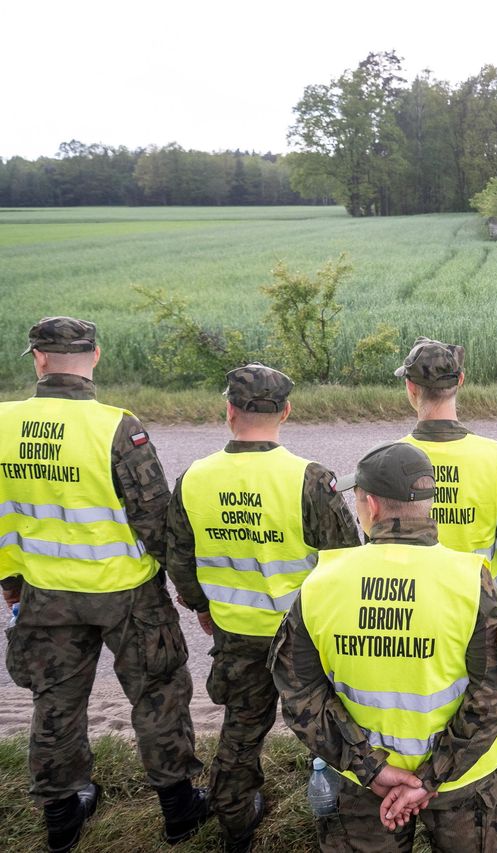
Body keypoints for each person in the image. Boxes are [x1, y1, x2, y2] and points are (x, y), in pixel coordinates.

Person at [0, 317, 206, 851]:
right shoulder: (117, 427)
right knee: (158, 693)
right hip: (127, 593)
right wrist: (186, 589)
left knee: (56, 701)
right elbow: (155, 519)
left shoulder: (2, 422)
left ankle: (62, 814)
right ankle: (180, 810)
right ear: (95, 356)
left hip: (44, 591)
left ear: (38, 359)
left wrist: (10, 583)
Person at [270, 441, 497, 852]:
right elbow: (495, 692)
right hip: (461, 782)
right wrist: (430, 777)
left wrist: (370, 769)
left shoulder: (322, 583)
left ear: (371, 506)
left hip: (361, 788)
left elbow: (299, 691)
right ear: (428, 502)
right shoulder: (469, 580)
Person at [166, 362, 361, 851]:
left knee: (241, 729)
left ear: (229, 411)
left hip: (235, 632)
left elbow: (180, 557)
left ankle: (235, 819)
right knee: (328, 725)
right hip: (304, 637)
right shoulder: (310, 479)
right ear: (286, 411)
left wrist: (201, 608)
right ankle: (340, 815)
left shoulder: (194, 478)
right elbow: (347, 561)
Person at [392, 336, 497, 819]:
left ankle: (415, 782)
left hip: (414, 608)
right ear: (460, 382)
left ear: (411, 390)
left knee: (425, 697)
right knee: (490, 703)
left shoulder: (391, 460)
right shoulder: (492, 456)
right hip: (485, 609)